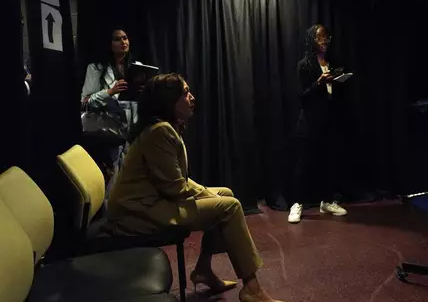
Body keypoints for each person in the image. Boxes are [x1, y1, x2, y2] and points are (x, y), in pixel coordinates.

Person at [105, 74, 282, 302]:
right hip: (137, 213)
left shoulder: (165, 128)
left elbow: (178, 182)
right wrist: (206, 194)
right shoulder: (159, 132)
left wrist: (208, 192)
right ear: (169, 100)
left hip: (151, 203)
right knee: (230, 207)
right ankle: (252, 289)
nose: (192, 98)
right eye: (186, 93)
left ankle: (203, 270)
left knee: (225, 195)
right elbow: (176, 188)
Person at [287, 24, 348, 224]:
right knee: (303, 164)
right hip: (310, 122)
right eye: (321, 38)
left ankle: (327, 201)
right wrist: (318, 84)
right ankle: (297, 204)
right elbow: (302, 96)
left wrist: (340, 80)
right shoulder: (305, 65)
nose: (325, 41)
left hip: (329, 120)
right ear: (312, 40)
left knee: (329, 162)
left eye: (327, 37)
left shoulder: (332, 62)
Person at [81, 27, 138, 200]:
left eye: (125, 38)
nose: (123, 42)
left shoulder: (136, 68)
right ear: (109, 44)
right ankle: (107, 222)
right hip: (108, 135)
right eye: (117, 39)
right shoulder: (96, 68)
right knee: (110, 187)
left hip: (133, 134)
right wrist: (109, 92)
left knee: (131, 185)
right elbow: (85, 102)